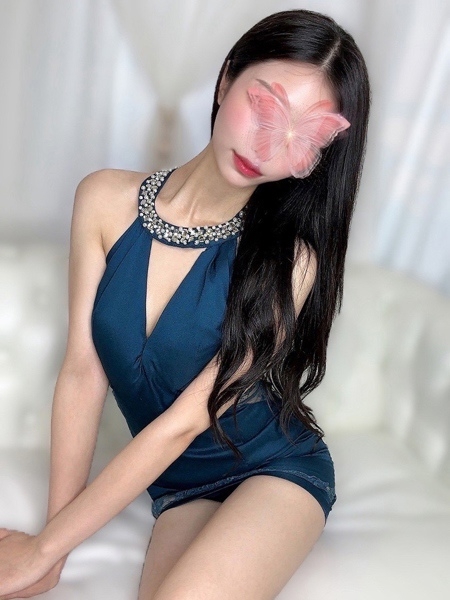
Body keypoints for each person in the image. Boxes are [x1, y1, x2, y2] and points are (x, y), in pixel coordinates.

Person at [0, 8, 370, 600]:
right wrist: (52, 552)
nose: (267, 146)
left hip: (274, 468)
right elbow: (82, 373)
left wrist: (42, 550)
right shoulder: (103, 198)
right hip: (179, 485)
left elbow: (185, 422)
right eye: (266, 106)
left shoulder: (290, 261)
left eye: (302, 135)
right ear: (226, 80)